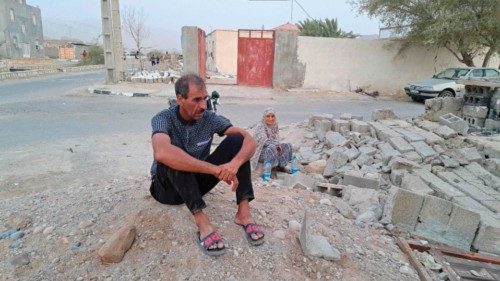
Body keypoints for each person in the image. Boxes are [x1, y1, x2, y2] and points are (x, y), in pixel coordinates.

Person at [149, 74, 265, 256]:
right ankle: (202, 223)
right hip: (166, 190)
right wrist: (216, 170)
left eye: (205, 99)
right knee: (173, 155)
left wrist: (233, 165)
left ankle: (243, 213)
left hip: (194, 186)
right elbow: (161, 152)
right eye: (196, 100)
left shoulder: (208, 118)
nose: (203, 106)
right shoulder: (164, 118)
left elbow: (248, 140)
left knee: (237, 140)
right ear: (180, 99)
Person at [250, 108, 293, 173]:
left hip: (274, 148)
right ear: (264, 117)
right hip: (260, 152)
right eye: (268, 116)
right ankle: (269, 169)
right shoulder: (260, 126)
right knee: (272, 147)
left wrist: (279, 145)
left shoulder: (275, 125)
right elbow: (264, 141)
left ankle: (281, 166)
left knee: (287, 145)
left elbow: (277, 139)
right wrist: (277, 145)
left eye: (272, 116)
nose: (270, 118)